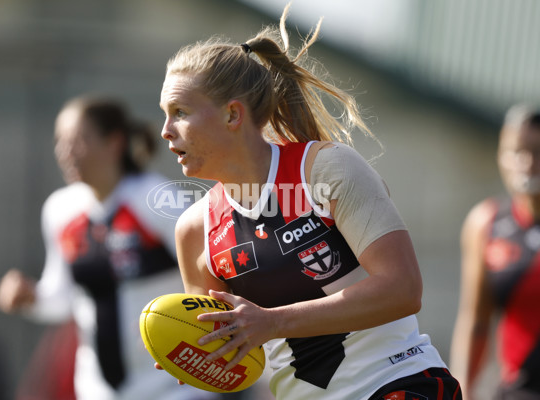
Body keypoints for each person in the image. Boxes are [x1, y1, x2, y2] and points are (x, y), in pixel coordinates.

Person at [157, 4, 461, 400]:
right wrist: (196, 352)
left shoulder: (326, 169)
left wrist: (271, 322)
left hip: (396, 383)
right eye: (165, 114)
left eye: (180, 112)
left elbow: (403, 289)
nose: (165, 131)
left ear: (233, 115)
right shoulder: (195, 230)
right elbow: (232, 346)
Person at [0, 96, 216, 400]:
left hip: (177, 387)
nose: (65, 152)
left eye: (78, 140)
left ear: (114, 143)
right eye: (60, 141)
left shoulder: (158, 199)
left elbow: (217, 274)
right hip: (98, 390)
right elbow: (62, 301)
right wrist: (31, 297)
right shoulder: (60, 210)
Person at [451, 104, 540, 400]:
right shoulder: (486, 223)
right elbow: (475, 321)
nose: (526, 163)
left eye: (537, 152)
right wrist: (462, 391)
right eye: (515, 151)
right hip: (516, 391)